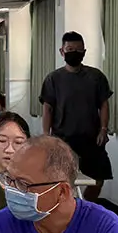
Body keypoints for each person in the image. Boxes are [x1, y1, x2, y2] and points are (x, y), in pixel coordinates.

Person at [41, 31, 112, 201]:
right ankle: (67, 207)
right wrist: (46, 136)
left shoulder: (96, 77)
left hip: (92, 139)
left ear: (84, 52)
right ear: (62, 51)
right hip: (63, 139)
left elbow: (103, 104)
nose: (75, 53)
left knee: (97, 180)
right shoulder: (53, 79)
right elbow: (47, 108)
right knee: (62, 180)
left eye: (79, 50)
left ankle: (84, 205)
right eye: (70, 49)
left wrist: (103, 129)